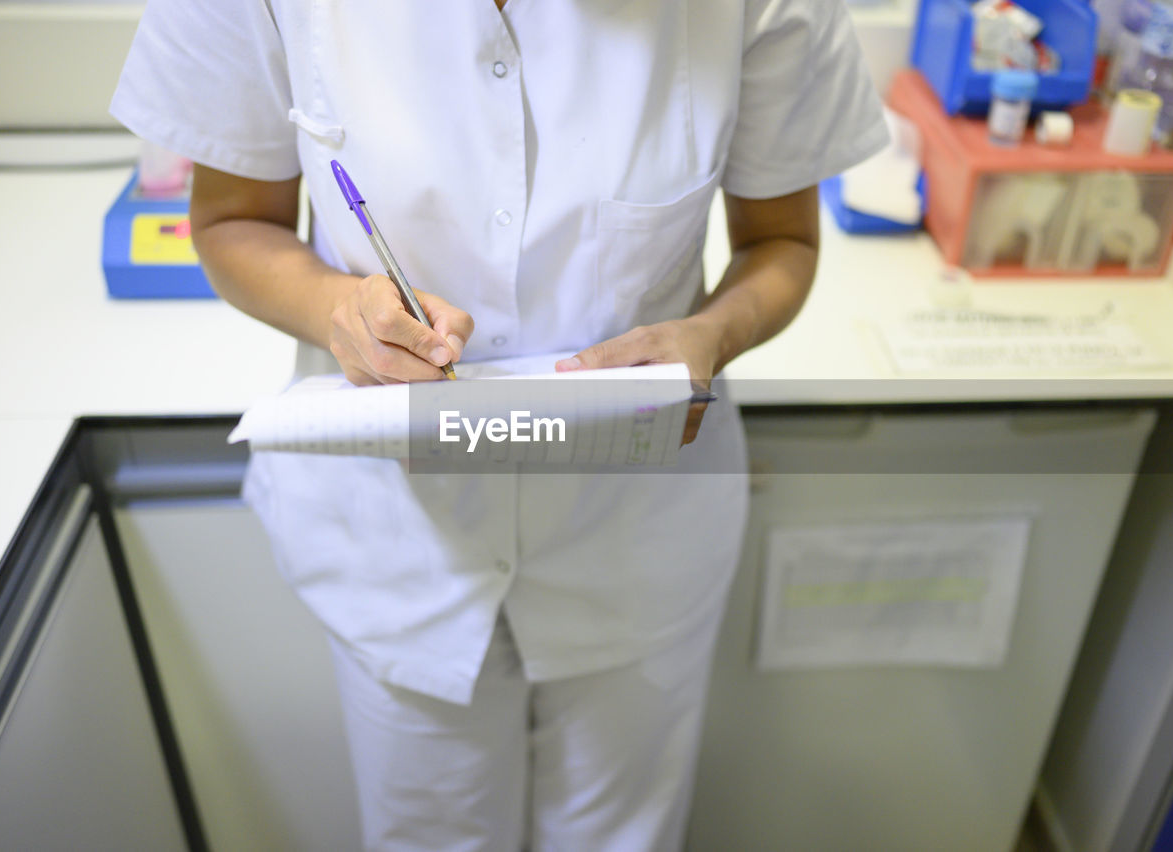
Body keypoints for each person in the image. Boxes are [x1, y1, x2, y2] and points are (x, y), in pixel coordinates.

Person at [112, 1, 887, 848]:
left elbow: (783, 242)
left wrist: (711, 334)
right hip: (399, 548)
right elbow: (232, 221)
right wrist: (342, 310)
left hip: (638, 536)